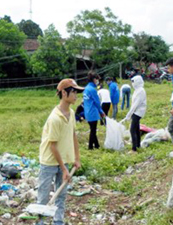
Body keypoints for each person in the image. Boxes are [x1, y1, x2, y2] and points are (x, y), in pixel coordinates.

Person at [38, 78, 82, 225]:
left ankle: (58, 221)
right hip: (49, 162)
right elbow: (53, 146)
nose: (76, 96)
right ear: (64, 93)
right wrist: (63, 169)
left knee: (61, 194)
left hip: (64, 160)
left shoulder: (71, 112)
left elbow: (73, 135)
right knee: (44, 196)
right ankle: (41, 222)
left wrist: (77, 158)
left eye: (77, 92)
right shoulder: (55, 118)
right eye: (74, 92)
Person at [120, 75, 146, 153]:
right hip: (136, 111)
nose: (132, 84)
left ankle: (134, 149)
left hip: (138, 112)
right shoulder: (137, 90)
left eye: (133, 82)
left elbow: (136, 104)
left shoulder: (141, 90)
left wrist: (128, 115)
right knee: (136, 129)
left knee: (132, 130)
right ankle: (138, 145)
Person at [83, 72, 105, 150]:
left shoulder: (86, 88)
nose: (98, 81)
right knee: (93, 131)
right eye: (97, 79)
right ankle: (90, 147)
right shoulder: (92, 90)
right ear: (94, 79)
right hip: (92, 112)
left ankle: (96, 145)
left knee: (93, 129)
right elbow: (97, 102)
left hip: (87, 112)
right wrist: (101, 112)